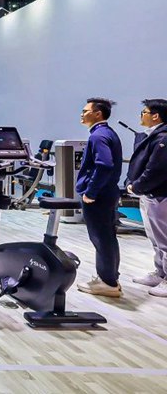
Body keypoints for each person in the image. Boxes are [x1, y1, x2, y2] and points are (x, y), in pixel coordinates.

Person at [76, 98, 123, 298]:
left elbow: (104, 165)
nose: (81, 114)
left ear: (97, 114)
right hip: (108, 192)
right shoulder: (108, 132)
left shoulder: (98, 136)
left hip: (99, 196)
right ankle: (110, 278)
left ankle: (107, 282)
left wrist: (91, 191)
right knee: (108, 237)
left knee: (101, 238)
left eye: (85, 111)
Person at [126, 99, 167, 297]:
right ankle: (160, 273)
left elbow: (156, 170)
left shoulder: (164, 137)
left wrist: (137, 186)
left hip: (160, 195)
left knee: (165, 239)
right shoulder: (153, 136)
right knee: (155, 238)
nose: (141, 116)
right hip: (148, 194)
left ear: (155, 116)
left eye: (144, 112)